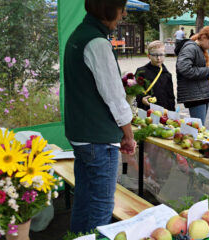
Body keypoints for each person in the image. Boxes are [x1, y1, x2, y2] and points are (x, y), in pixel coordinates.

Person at [63, 0, 136, 234]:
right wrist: (128, 135)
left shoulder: (79, 35)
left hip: (81, 134)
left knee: (84, 198)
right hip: (97, 138)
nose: (123, 13)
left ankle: (77, 237)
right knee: (102, 204)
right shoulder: (96, 42)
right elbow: (115, 96)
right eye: (121, 8)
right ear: (107, 9)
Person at [175, 26, 209, 125]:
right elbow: (184, 69)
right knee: (198, 129)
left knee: (199, 127)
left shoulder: (197, 48)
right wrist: (208, 70)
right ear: (203, 37)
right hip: (195, 96)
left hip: (200, 95)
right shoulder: (191, 48)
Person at [135, 40, 175, 111]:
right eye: (155, 55)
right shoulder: (141, 71)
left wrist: (172, 113)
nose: (158, 58)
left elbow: (170, 97)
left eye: (161, 55)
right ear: (149, 56)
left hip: (163, 112)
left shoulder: (167, 74)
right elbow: (136, 90)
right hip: (146, 110)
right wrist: (141, 99)